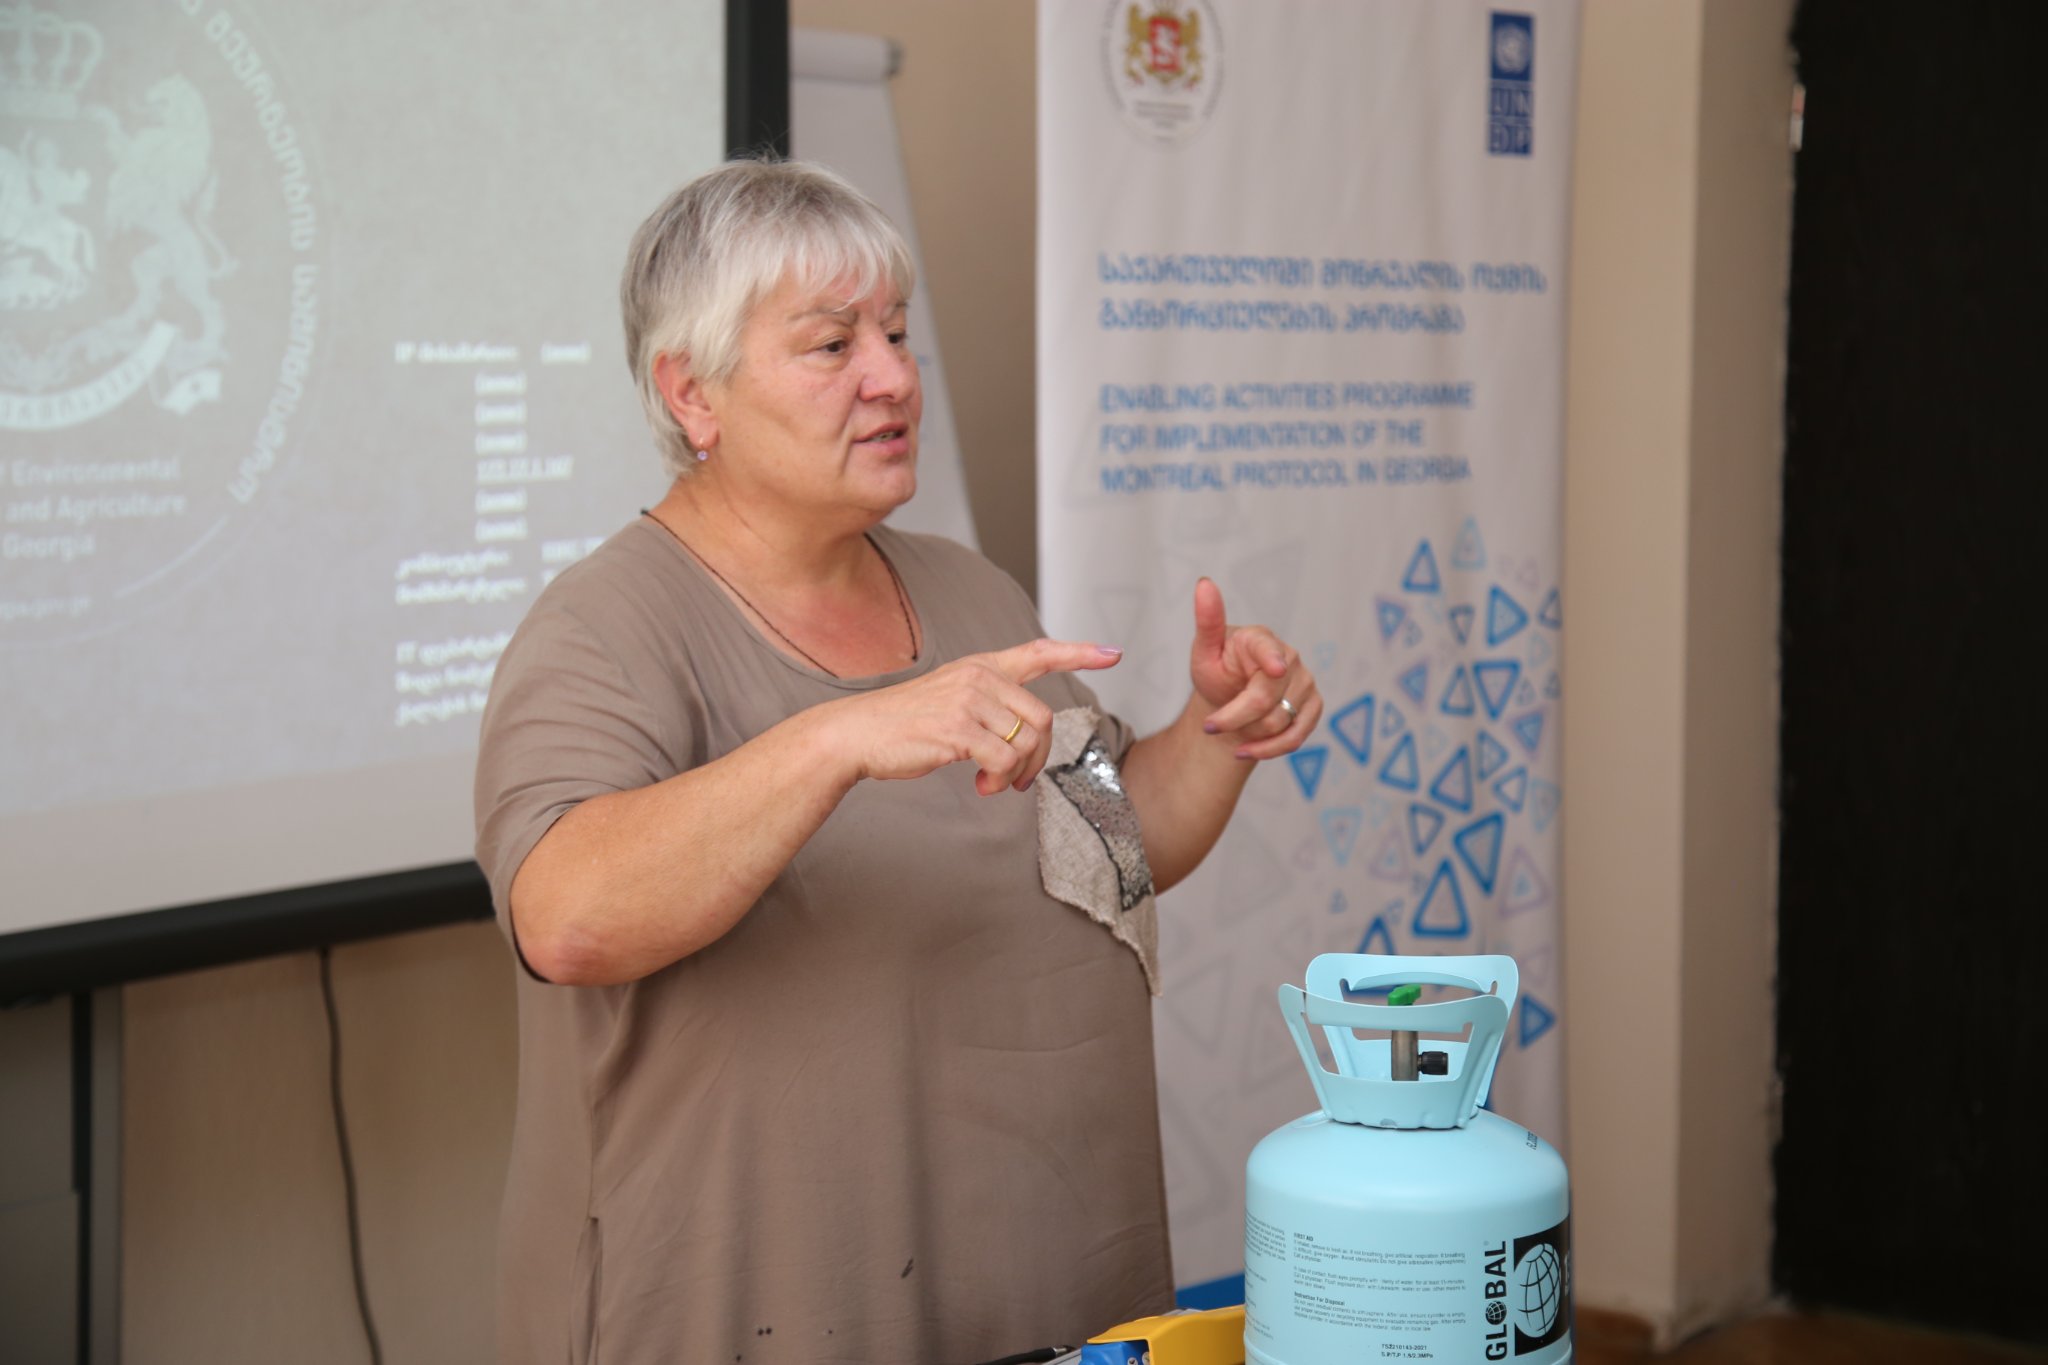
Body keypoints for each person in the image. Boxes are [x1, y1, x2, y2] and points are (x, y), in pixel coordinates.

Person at [474, 158, 1322, 1365]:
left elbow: (1109, 838)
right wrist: (838, 737)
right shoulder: (603, 630)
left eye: (894, 331)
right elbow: (565, 917)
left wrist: (1219, 731)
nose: (891, 377)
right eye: (831, 345)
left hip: (1046, 1283)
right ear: (691, 394)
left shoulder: (967, 591)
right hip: (771, 1309)